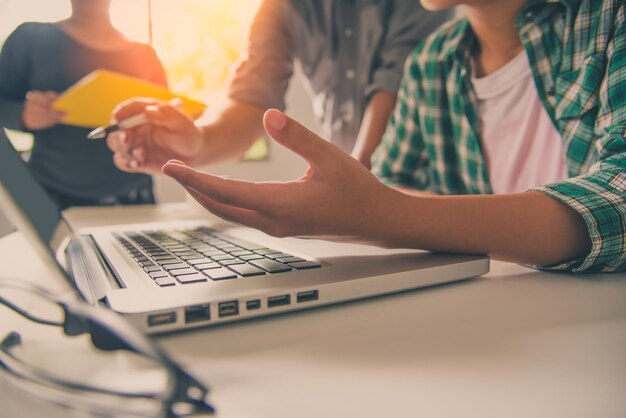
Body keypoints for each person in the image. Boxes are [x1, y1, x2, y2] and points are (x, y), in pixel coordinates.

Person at [159, 0, 626, 274]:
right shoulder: (432, 62)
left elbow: (619, 198)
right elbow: (389, 183)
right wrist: (359, 204)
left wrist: (380, 212)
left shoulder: (608, 18)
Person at [106, 0, 450, 172]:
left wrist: (352, 188)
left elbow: (391, 88)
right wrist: (195, 145)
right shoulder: (283, 6)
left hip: (428, 195)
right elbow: (253, 94)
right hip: (353, 200)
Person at [0, 0, 167, 210]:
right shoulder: (30, 38)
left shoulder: (145, 55)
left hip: (134, 197)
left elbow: (165, 118)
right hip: (51, 197)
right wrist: (22, 115)